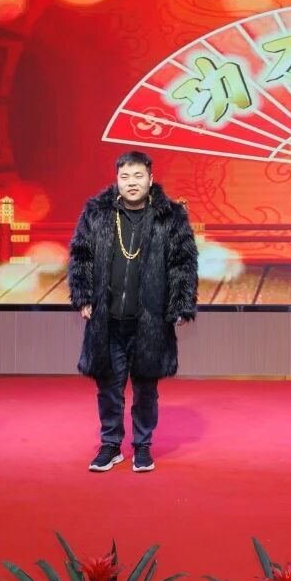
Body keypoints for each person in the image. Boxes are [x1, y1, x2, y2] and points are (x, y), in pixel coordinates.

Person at [67, 151, 198, 473]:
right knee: (108, 388)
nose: (131, 183)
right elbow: (80, 255)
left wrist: (181, 304)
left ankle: (143, 446)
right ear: (117, 180)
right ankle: (110, 445)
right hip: (107, 320)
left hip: (150, 320)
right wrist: (83, 296)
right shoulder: (97, 213)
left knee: (146, 389)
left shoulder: (170, 216)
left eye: (138, 176)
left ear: (150, 179)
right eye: (125, 177)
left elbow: (183, 263)